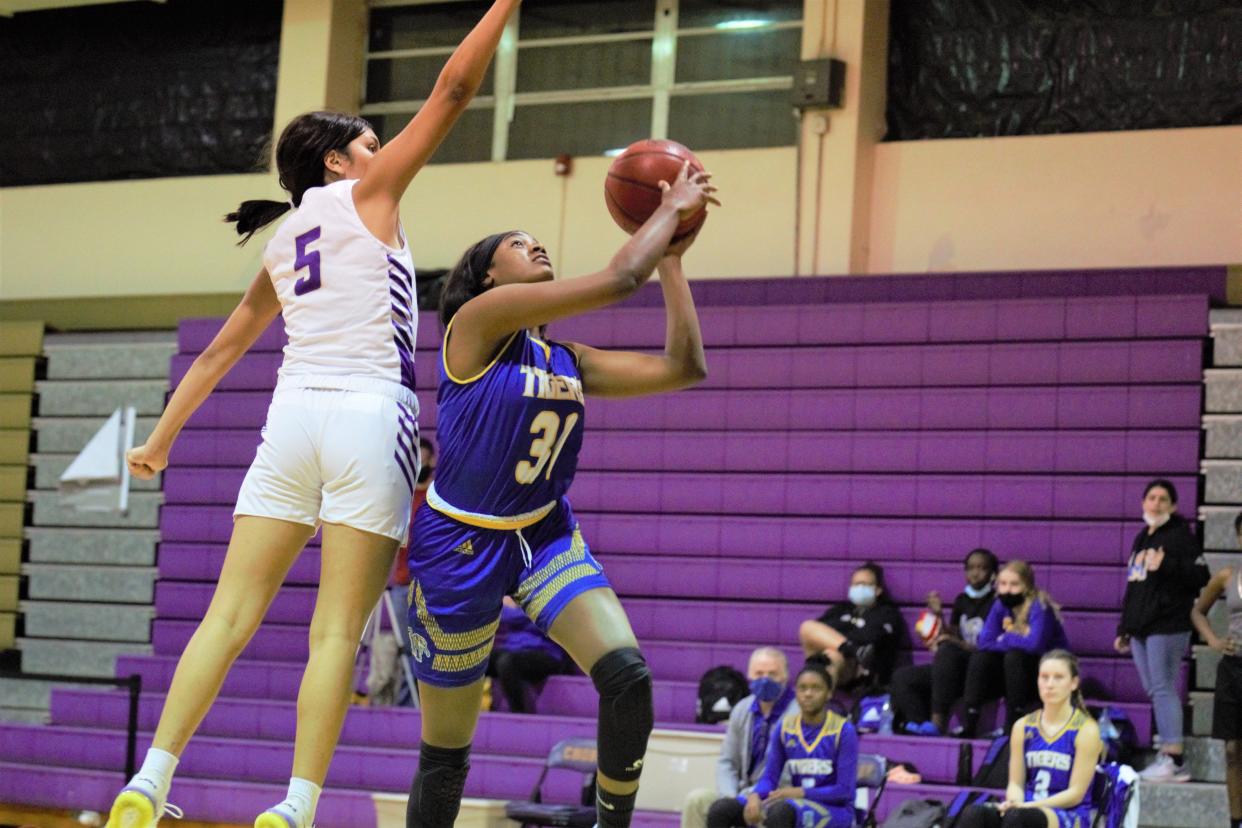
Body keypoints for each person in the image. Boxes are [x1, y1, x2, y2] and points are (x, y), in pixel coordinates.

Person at [102, 4, 521, 828]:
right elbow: (455, 86)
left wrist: (159, 440)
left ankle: (149, 780)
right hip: (370, 416)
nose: (381, 149)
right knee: (335, 634)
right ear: (338, 162)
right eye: (369, 142)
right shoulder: (368, 193)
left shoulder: (282, 237)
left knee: (227, 616)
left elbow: (221, 353)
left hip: (289, 419)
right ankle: (294, 807)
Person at [402, 162, 717, 828]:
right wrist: (671, 209)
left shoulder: (565, 359)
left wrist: (675, 264)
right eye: (517, 244)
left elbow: (684, 368)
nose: (535, 245)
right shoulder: (477, 326)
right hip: (460, 543)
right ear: (487, 276)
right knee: (447, 752)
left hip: (542, 532)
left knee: (628, 676)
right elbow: (617, 278)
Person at [1114, 478, 1209, 783]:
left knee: (1163, 687)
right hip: (1141, 626)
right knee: (1154, 689)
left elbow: (1200, 575)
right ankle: (1167, 752)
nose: (1156, 504)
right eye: (1151, 498)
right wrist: (1124, 628)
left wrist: (1166, 564)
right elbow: (1135, 586)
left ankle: (1175, 758)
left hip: (1167, 623)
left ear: (1173, 506)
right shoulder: (1142, 537)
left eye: (1163, 499)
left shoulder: (1180, 536)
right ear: (1143, 503)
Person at [956, 649, 1103, 828]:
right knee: (976, 813)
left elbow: (1076, 794)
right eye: (1044, 677)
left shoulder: (1086, 729)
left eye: (1058, 677)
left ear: (1073, 683)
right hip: (1026, 808)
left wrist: (1027, 806)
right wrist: (1014, 802)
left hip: (1069, 813)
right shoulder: (1023, 726)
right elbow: (1015, 784)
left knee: (1019, 819)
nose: (1049, 684)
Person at [706, 661, 858, 828]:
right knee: (721, 809)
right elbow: (770, 777)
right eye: (803, 688)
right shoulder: (785, 727)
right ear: (796, 692)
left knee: (780, 812)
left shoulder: (844, 730)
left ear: (829, 693)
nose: (808, 694)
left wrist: (801, 792)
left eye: (816, 688)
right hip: (795, 803)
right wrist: (755, 795)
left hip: (836, 810)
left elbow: (845, 791)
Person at [682, 647, 796, 828]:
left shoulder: (798, 713)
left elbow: (788, 773)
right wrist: (732, 798)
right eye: (759, 673)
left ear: (785, 677)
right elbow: (726, 762)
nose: (765, 679)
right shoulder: (742, 708)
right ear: (750, 676)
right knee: (697, 801)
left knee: (774, 813)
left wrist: (753, 797)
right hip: (740, 794)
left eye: (772, 674)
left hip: (778, 796)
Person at [890, 548, 999, 735]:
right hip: (955, 669)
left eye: (982, 568)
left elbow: (989, 648)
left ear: (993, 574)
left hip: (981, 671)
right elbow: (955, 635)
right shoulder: (962, 600)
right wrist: (939, 615)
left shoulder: (998, 603)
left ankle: (938, 721)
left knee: (948, 651)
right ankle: (919, 725)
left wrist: (953, 643)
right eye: (971, 568)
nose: (975, 572)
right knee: (903, 677)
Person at [960, 561, 1069, 738]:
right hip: (1015, 672)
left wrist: (1007, 637)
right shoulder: (1000, 605)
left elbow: (1035, 645)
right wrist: (1016, 638)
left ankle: (1013, 724)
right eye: (1003, 584)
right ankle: (971, 721)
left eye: (1014, 584)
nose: (1007, 590)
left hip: (1048, 673)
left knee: (1015, 657)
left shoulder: (1039, 607)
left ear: (1026, 586)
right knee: (981, 658)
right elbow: (984, 642)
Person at [1190, 553, 1241, 828]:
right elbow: (1197, 611)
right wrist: (1213, 640)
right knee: (1232, 749)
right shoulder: (1228, 575)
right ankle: (1236, 821)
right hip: (1233, 667)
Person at [798, 562, 904, 690]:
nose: (859, 588)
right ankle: (852, 650)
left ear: (878, 590)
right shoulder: (841, 609)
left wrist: (843, 634)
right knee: (807, 628)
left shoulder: (886, 613)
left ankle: (817, 703)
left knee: (832, 656)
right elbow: (819, 630)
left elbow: (873, 637)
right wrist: (848, 645)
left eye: (865, 584)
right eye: (856, 584)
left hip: (860, 670)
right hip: (832, 658)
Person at [485, 596, 568, 713]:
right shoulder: (518, 593)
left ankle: (519, 714)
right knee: (475, 660)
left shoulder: (555, 595)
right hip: (513, 649)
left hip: (547, 653)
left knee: (508, 663)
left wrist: (512, 611)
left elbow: (545, 621)